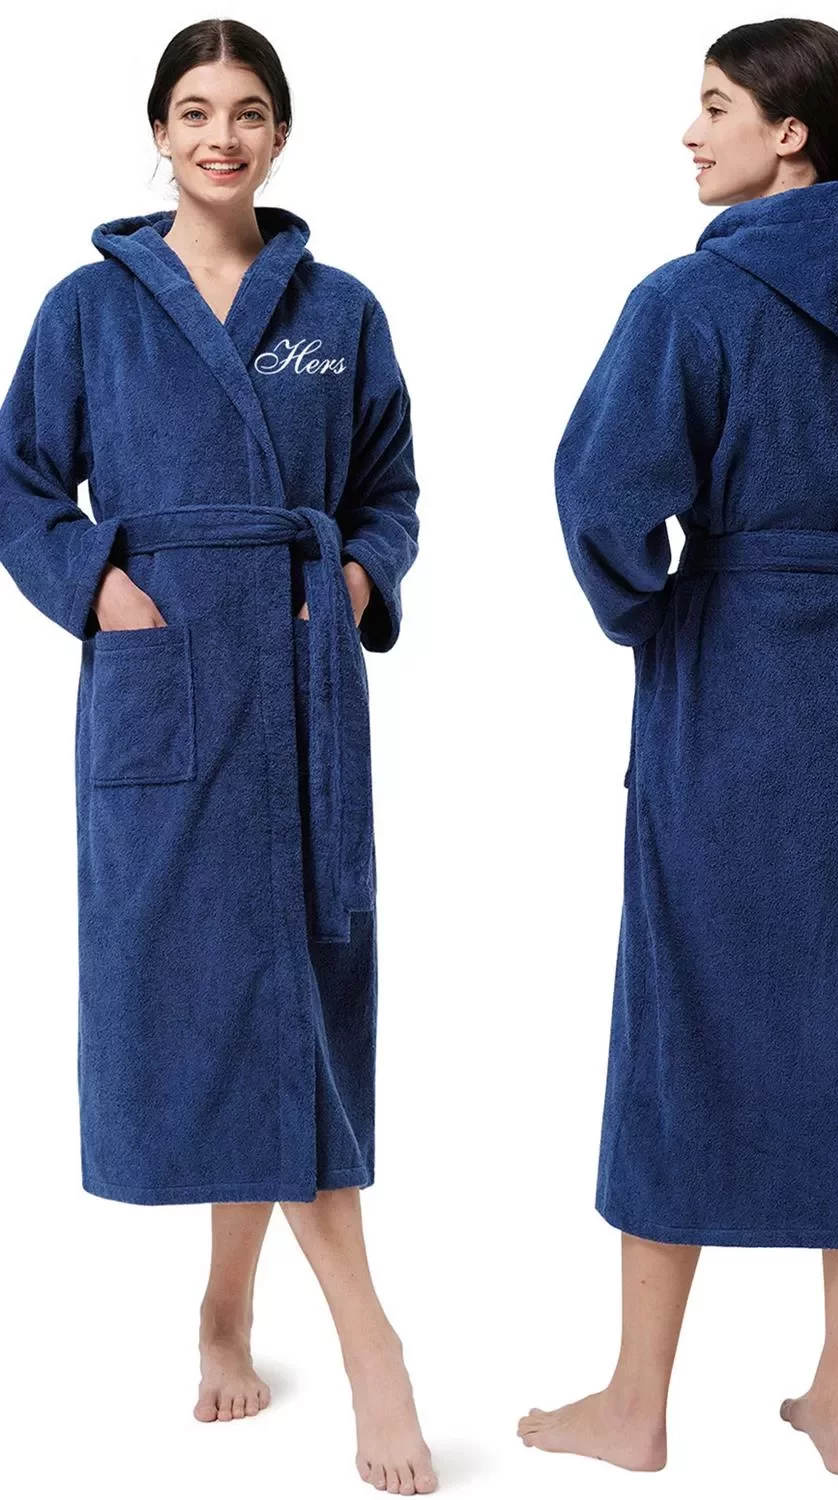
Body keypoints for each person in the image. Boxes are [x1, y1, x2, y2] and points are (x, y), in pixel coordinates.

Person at [518, 17, 838, 1479]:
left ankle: (636, 1404)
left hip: (728, 695)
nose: (689, 133)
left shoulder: (693, 300)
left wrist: (660, 615)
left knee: (683, 1020)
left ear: (789, 131)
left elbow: (603, 500)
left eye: (713, 104)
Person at [0, 19, 437, 1493]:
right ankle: (365, 1340)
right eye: (194, 112)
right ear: (159, 133)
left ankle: (236, 1305)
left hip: (302, 681)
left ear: (280, 134)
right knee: (214, 993)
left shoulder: (340, 308)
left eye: (248, 113)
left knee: (293, 984)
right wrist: (100, 589)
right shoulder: (87, 309)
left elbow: (387, 484)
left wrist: (360, 577)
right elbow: (17, 485)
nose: (221, 137)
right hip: (166, 680)